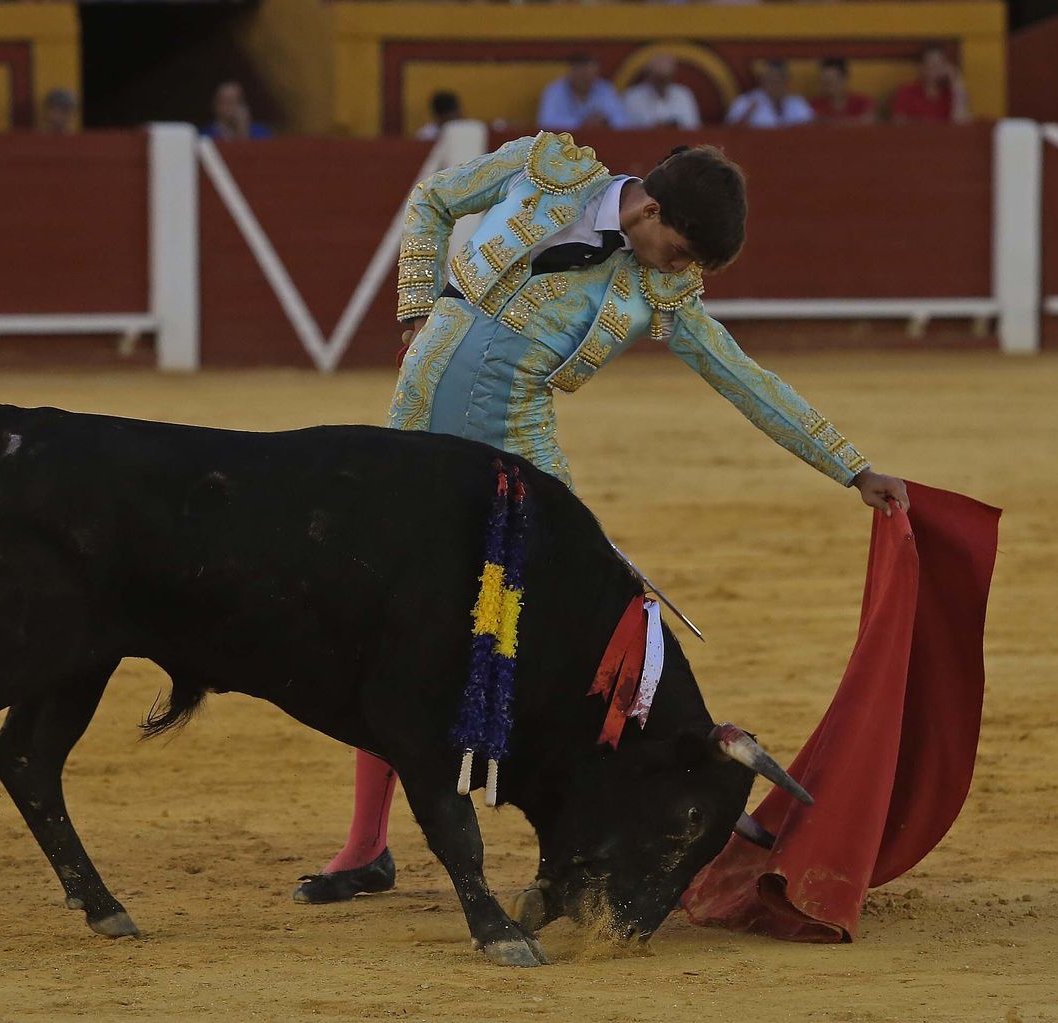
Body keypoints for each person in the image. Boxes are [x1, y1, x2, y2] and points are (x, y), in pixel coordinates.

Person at [292, 131, 909, 905]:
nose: (679, 270)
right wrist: (417, 310)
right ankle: (366, 847)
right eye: (680, 251)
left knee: (595, 632)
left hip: (519, 454)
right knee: (386, 622)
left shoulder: (658, 293)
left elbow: (745, 379)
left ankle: (675, 808)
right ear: (648, 209)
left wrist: (850, 464)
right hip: (414, 428)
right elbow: (434, 198)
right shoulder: (545, 167)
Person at [536, 54, 626, 132]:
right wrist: (581, 124)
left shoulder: (605, 89)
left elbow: (623, 121)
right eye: (583, 75)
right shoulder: (554, 91)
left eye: (591, 76)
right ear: (571, 72)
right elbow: (546, 122)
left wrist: (606, 121)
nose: (586, 80)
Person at [890, 44, 971, 124]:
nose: (935, 69)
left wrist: (955, 79)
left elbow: (961, 125)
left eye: (939, 64)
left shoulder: (951, 94)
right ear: (922, 67)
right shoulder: (906, 92)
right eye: (930, 64)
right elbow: (899, 124)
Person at [621, 53, 701, 130]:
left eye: (666, 78)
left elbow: (693, 127)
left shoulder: (683, 94)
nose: (662, 82)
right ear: (649, 75)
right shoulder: (633, 97)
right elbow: (627, 130)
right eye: (658, 78)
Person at [725, 60, 814, 129]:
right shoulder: (745, 102)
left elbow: (810, 128)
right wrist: (747, 115)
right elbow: (731, 132)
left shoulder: (798, 103)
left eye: (778, 80)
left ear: (786, 81)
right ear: (763, 81)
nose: (774, 85)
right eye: (770, 80)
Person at [811, 58, 875, 125]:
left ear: (844, 79)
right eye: (824, 82)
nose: (827, 86)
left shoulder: (862, 102)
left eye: (831, 81)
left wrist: (830, 122)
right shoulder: (815, 105)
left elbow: (870, 121)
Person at [203, 80, 272, 140]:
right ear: (216, 105)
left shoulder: (261, 133)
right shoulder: (205, 136)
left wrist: (243, 133)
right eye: (226, 102)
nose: (231, 108)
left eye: (236, 101)